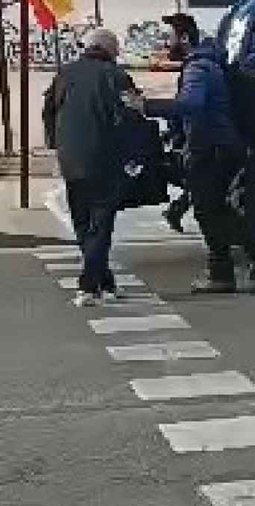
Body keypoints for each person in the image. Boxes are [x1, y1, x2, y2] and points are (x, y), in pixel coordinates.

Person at [142, 13, 255, 293]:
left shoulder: (198, 68)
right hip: (222, 145)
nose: (167, 43)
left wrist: (147, 106)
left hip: (212, 147)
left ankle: (222, 274)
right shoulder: (210, 63)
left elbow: (191, 104)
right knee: (215, 208)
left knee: (207, 212)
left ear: (184, 38)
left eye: (170, 36)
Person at [41, 27, 137, 307]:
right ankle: (89, 285)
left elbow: (48, 111)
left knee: (82, 222)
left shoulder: (64, 74)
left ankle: (104, 281)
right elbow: (131, 117)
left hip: (70, 159)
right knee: (101, 223)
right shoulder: (117, 77)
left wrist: (55, 145)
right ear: (109, 50)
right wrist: (134, 156)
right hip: (104, 159)